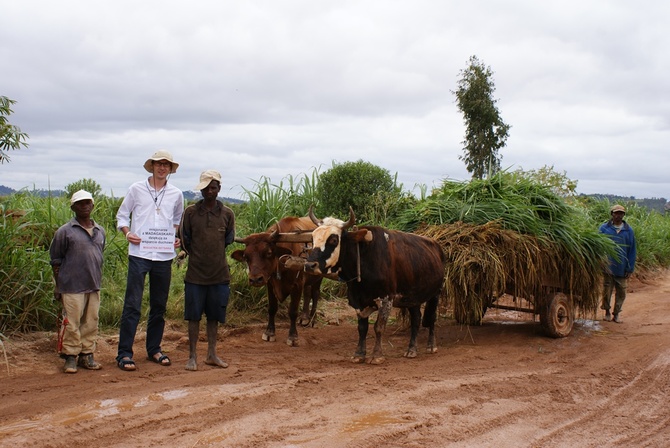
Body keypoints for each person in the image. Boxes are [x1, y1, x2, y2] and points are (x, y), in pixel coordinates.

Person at [115, 150, 184, 371]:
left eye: (166, 165)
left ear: (170, 169)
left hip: (163, 256)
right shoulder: (136, 189)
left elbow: (176, 221)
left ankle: (154, 348)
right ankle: (124, 353)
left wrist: (176, 239)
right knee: (132, 305)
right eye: (158, 164)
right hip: (139, 254)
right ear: (152, 166)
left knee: (158, 305)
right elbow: (122, 215)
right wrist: (127, 233)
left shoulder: (176, 194)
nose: (162, 168)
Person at [179, 170, 235, 371]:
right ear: (201, 190)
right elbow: (185, 239)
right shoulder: (191, 213)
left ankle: (212, 354)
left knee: (214, 316)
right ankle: (192, 356)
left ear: (219, 189)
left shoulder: (227, 214)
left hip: (219, 275)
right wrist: (197, 255)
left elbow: (228, 239)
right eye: (205, 188)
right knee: (193, 316)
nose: (209, 191)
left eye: (213, 188)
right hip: (195, 275)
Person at [50, 190, 106, 373]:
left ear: (92, 205)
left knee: (91, 321)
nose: (84, 206)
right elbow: (56, 260)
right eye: (80, 203)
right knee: (71, 322)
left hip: (93, 284)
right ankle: (70, 356)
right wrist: (58, 286)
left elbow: (99, 256)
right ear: (73, 207)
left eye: (87, 202)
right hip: (71, 285)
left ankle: (87, 354)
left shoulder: (100, 231)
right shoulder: (65, 232)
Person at [599, 204, 637, 323]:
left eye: (620, 213)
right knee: (607, 291)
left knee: (621, 292)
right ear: (612, 214)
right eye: (616, 213)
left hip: (622, 268)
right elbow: (598, 246)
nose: (618, 215)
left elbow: (632, 250)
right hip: (608, 266)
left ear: (623, 215)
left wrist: (630, 268)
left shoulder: (628, 230)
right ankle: (607, 312)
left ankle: (616, 313)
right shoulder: (604, 228)